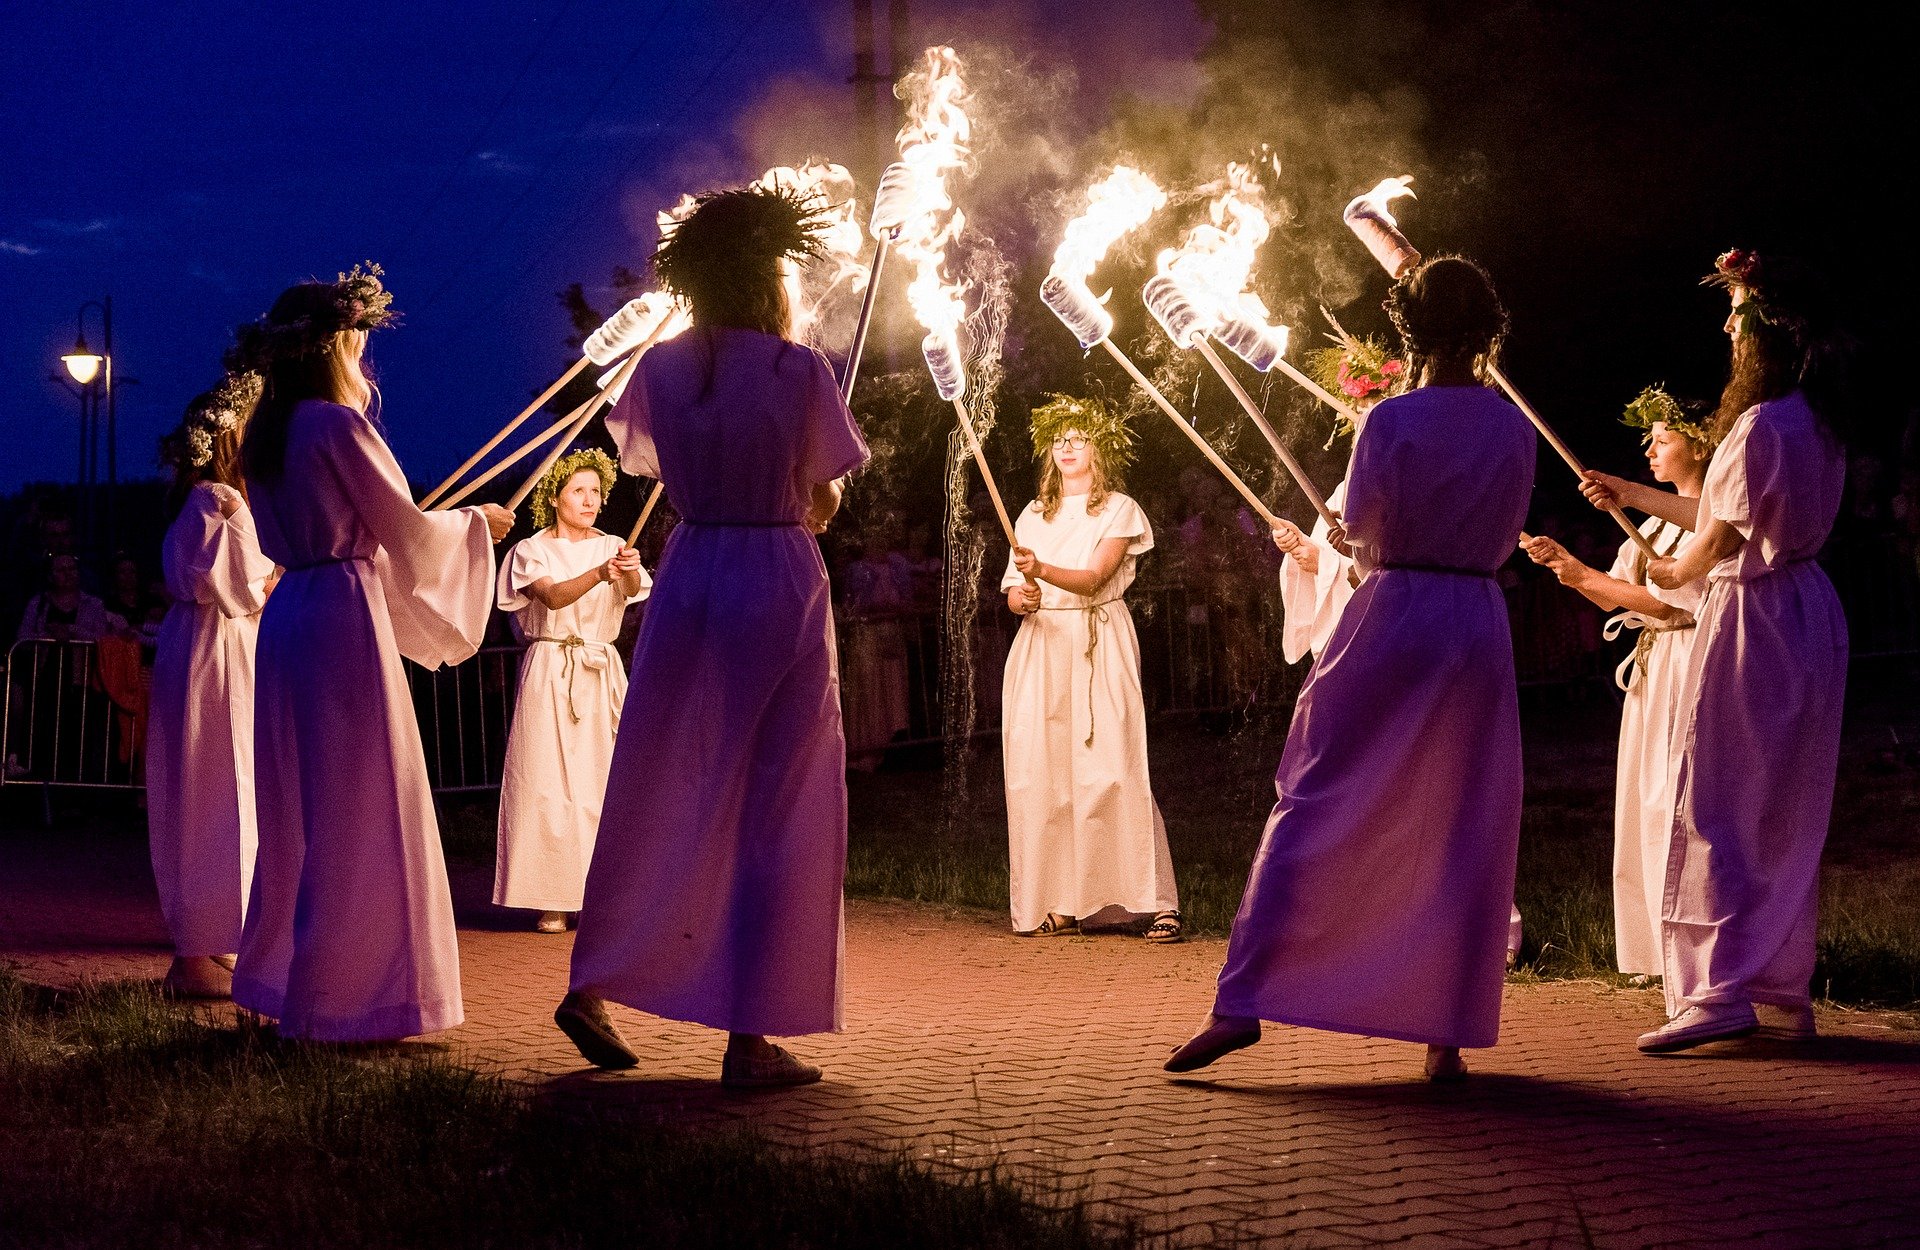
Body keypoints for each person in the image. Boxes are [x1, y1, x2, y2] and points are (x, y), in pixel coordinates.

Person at [1167, 256, 1534, 1082]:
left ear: (1413, 329)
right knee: (1460, 813)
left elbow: (1363, 530)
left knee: (1315, 791)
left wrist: (1351, 542)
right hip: (1475, 621)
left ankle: (1243, 1002)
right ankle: (1445, 1036)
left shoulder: (1392, 422)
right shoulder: (1512, 425)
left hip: (1396, 613)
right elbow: (1506, 527)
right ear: (1486, 328)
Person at [556, 186, 868, 1086]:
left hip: (693, 573)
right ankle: (751, 1034)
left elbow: (648, 458)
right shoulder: (796, 370)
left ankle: (595, 981)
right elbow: (823, 496)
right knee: (778, 796)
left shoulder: (660, 372)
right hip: (774, 577)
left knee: (660, 776)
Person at [230, 264, 514, 1042]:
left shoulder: (266, 435)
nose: (363, 360)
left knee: (302, 804)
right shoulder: (335, 425)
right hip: (341, 620)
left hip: (292, 617)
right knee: (363, 799)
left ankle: (290, 981)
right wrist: (477, 528)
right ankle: (349, 996)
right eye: (356, 343)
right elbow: (408, 532)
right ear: (333, 347)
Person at [1579, 250, 1852, 1052]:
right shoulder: (1818, 419)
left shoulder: (1757, 424)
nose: (1726, 327)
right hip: (1807, 611)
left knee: (1719, 798)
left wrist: (1668, 570)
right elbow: (1729, 510)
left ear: (1764, 333)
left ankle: (1714, 991)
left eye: (1737, 315)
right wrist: (1635, 498)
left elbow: (1717, 536)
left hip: (1753, 615)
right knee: (1783, 806)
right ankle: (1778, 984)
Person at [1521, 388, 1714, 981]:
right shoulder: (1648, 522)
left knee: (1681, 799)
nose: (1651, 449)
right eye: (1648, 440)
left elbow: (1676, 604)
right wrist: (1571, 572)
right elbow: (1627, 594)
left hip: (1692, 663)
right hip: (1654, 672)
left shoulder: (1716, 522)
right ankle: (1654, 950)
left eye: (1664, 438)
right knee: (1646, 799)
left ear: (1702, 446)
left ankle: (1698, 952)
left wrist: (1584, 576)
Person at [1001, 394, 1180, 942]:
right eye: (1059, 439)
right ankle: (1063, 898)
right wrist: (1021, 598)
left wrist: (1044, 570)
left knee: (1113, 767)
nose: (1068, 447)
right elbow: (1012, 589)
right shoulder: (1034, 513)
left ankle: (1153, 900)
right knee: (1046, 773)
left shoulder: (1119, 509)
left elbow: (1093, 579)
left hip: (1096, 639)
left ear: (1098, 449)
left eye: (1079, 438)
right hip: (1042, 645)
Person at [145, 376, 277, 999]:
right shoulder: (215, 499)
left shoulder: (218, 500)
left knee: (231, 782)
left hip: (215, 642)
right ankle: (204, 941)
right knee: (218, 780)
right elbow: (242, 584)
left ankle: (224, 935)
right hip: (215, 647)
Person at [494, 449, 649, 933]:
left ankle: (606, 898)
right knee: (548, 785)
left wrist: (623, 569)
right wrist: (600, 573)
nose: (590, 500)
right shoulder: (531, 551)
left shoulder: (616, 546)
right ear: (554, 496)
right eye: (578, 491)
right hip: (550, 668)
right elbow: (553, 596)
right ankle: (553, 899)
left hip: (599, 670)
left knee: (601, 783)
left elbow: (631, 591)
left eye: (596, 491)